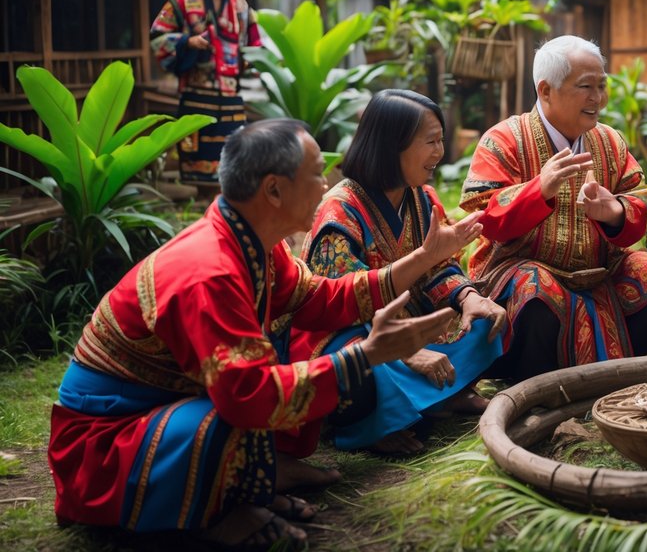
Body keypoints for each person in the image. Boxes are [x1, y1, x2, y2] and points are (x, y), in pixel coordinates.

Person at [47, 119, 464, 548]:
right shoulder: (209, 272)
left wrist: (421, 259)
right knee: (233, 411)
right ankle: (219, 514)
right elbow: (246, 396)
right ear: (274, 190)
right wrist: (368, 354)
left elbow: (317, 298)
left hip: (166, 400)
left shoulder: (251, 241)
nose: (326, 185)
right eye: (318, 172)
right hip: (104, 442)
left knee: (281, 351)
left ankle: (255, 480)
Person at [292, 90, 508, 456]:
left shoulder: (420, 199)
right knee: (361, 371)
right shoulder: (339, 210)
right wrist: (407, 351)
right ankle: (371, 426)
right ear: (393, 145)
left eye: (441, 140)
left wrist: (469, 298)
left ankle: (437, 399)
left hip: (411, 323)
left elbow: (439, 268)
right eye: (431, 141)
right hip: (358, 333)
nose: (439, 152)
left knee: (485, 321)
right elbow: (341, 303)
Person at [460, 35, 647, 379]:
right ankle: (535, 380)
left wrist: (615, 212)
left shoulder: (610, 140)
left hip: (600, 273)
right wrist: (539, 190)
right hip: (519, 273)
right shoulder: (502, 140)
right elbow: (483, 218)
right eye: (585, 86)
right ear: (546, 91)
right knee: (535, 288)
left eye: (601, 86)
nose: (597, 98)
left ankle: (617, 370)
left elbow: (639, 203)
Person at [150, 0, 262, 186]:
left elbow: (256, 45)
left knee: (232, 145)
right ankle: (196, 194)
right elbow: (157, 34)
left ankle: (225, 193)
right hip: (196, 88)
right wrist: (188, 41)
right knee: (196, 144)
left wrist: (247, 61)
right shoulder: (182, 0)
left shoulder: (241, 6)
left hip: (230, 91)